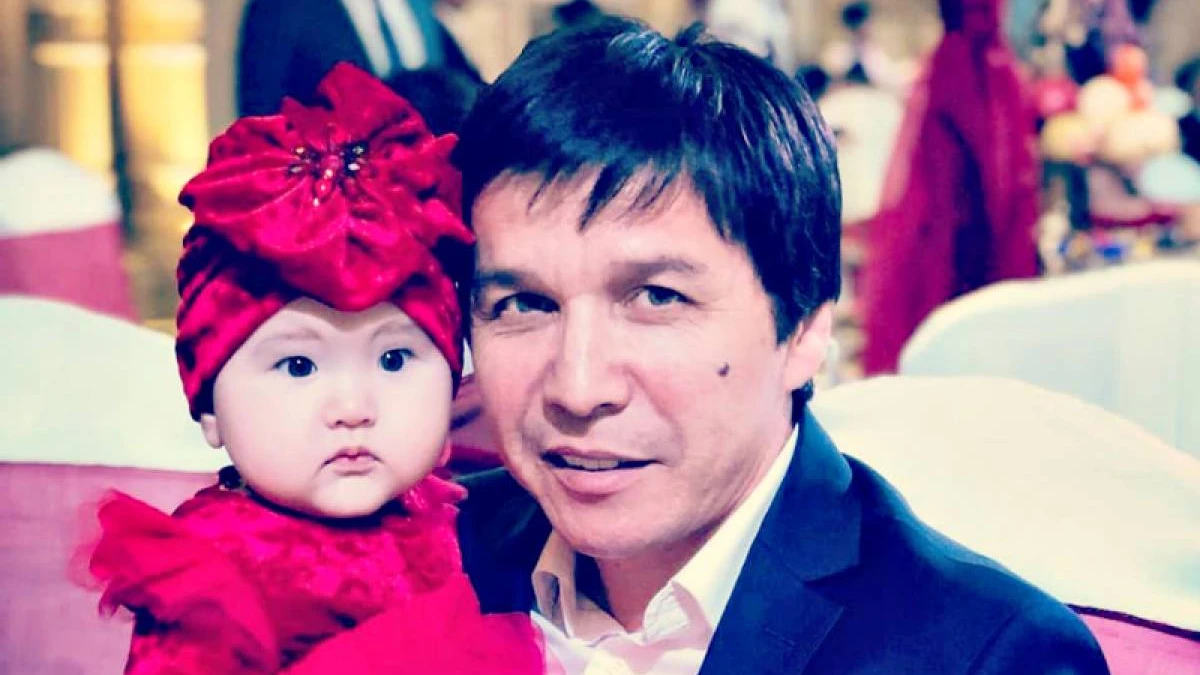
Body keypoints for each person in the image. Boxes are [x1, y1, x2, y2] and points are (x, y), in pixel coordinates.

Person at [447, 18, 1109, 673]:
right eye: (524, 304)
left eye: (656, 298)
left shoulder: (990, 655)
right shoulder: (426, 556)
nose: (578, 387)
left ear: (804, 328)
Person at [82, 63, 542, 674]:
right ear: (209, 406)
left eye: (394, 359)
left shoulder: (461, 528)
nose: (353, 408)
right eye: (298, 365)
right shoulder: (215, 587)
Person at [859, 0, 1042, 375]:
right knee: (953, 223)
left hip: (982, 71)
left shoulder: (993, 70)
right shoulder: (968, 68)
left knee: (989, 212)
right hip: (966, 75)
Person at [237, 0, 480, 116]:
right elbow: (261, 116)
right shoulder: (281, 8)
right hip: (333, 193)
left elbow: (467, 91)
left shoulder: (420, 7)